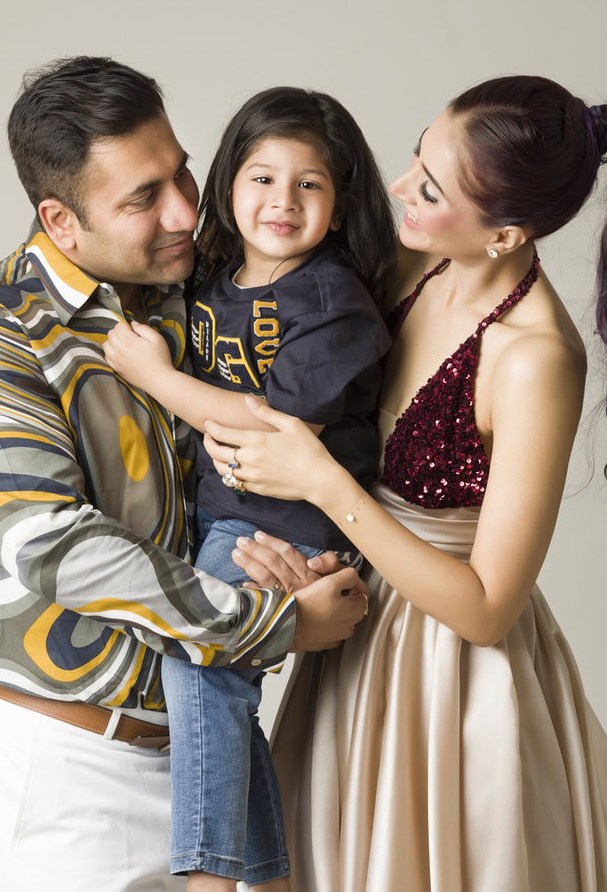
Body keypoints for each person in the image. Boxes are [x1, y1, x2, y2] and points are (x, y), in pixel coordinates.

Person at [200, 75, 607, 891]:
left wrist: (324, 487)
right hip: (351, 638)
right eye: (418, 156)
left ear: (506, 234)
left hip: (450, 683)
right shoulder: (413, 269)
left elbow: (489, 608)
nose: (394, 190)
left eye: (430, 187)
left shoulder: (533, 358)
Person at [0, 56, 368, 892]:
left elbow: (298, 440)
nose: (185, 213)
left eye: (183, 174)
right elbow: (53, 547)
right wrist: (271, 625)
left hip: (221, 743)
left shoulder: (205, 290)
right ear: (60, 219)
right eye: (142, 199)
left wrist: (304, 555)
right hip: (76, 770)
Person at [102, 86, 395, 891]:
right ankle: (265, 880)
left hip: (287, 528)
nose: (283, 200)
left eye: (310, 184)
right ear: (228, 183)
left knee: (203, 652)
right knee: (218, 679)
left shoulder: (334, 303)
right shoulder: (210, 279)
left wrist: (158, 379)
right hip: (220, 519)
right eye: (263, 177)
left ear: (338, 209)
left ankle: (206, 877)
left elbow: (274, 432)